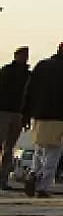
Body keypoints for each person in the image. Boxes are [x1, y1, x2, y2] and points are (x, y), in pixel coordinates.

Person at [20, 39, 63, 198]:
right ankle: (42, 185)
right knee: (53, 152)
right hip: (62, 117)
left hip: (40, 115)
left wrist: (25, 113)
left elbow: (29, 90)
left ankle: (34, 173)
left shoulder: (42, 65)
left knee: (40, 149)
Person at [0, 46, 31, 190]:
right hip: (3, 110)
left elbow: (30, 96)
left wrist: (26, 116)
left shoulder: (28, 75)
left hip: (18, 112)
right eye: (23, 55)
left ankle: (3, 178)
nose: (25, 58)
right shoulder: (6, 71)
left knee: (9, 148)